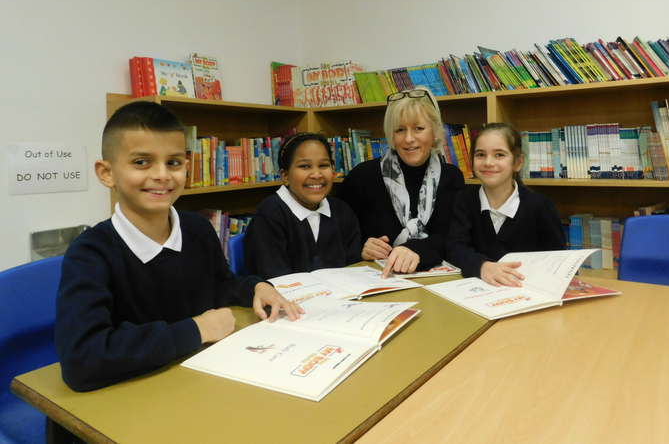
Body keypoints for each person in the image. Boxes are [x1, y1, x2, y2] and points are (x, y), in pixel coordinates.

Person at [55, 101, 303, 392]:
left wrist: (255, 288)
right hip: (133, 395)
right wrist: (197, 329)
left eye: (173, 162)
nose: (162, 175)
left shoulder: (196, 228)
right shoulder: (90, 253)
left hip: (198, 376)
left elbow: (220, 285)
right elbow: (81, 359)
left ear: (187, 166)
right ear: (106, 172)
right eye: (141, 162)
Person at [337, 86, 465, 278]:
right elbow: (336, 235)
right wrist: (360, 246)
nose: (409, 139)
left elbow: (451, 238)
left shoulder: (451, 177)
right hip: (375, 281)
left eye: (419, 128)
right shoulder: (362, 176)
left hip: (438, 282)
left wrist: (415, 249)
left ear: (435, 131)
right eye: (400, 130)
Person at [446, 122, 566, 287]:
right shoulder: (464, 201)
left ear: (518, 162)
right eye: (480, 154)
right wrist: (482, 266)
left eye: (499, 155)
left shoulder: (540, 207)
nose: (488, 162)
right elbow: (455, 248)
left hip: (526, 291)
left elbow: (557, 262)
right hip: (476, 292)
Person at [242, 132, 362, 280]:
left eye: (324, 165)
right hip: (288, 300)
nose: (317, 174)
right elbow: (274, 278)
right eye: (305, 166)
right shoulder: (270, 215)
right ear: (285, 176)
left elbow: (354, 268)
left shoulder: (342, 211)